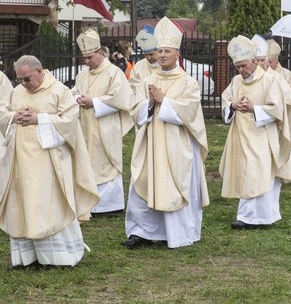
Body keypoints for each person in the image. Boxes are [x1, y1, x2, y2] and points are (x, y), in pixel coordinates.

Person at [0, 55, 99, 268]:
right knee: (21, 204)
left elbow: (70, 121)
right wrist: (13, 118)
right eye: (20, 80)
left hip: (48, 162)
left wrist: (40, 119)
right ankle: (27, 258)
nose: (23, 84)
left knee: (47, 206)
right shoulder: (17, 92)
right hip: (19, 161)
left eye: (27, 79)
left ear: (40, 71)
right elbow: (2, 112)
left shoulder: (59, 91)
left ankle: (57, 258)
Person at [122, 16, 209, 248]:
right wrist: (149, 103)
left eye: (166, 51)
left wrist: (164, 101)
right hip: (150, 141)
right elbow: (135, 108)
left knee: (174, 183)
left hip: (176, 144)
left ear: (177, 54)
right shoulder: (147, 79)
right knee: (144, 180)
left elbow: (189, 112)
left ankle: (176, 233)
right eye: (159, 51)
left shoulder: (188, 82)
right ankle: (142, 231)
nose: (161, 55)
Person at [220, 35, 291, 229]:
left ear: (254, 61)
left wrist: (254, 109)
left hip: (263, 135)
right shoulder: (235, 81)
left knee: (259, 173)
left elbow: (277, 109)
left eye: (244, 66)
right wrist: (232, 105)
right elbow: (226, 101)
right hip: (240, 134)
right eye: (238, 67)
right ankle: (251, 216)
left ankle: (257, 216)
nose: (241, 70)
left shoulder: (269, 80)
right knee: (246, 171)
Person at [71, 29, 135, 215]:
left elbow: (123, 98)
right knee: (86, 160)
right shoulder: (83, 75)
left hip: (106, 125)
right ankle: (88, 202)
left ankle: (109, 205)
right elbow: (75, 91)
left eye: (90, 57)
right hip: (85, 124)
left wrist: (95, 102)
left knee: (106, 162)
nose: (86, 61)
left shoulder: (114, 72)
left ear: (100, 53)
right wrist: (79, 99)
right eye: (84, 58)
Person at [129, 24, 160, 93]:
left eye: (151, 54)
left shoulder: (166, 64)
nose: (148, 57)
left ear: (158, 51)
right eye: (145, 55)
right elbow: (132, 85)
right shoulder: (138, 65)